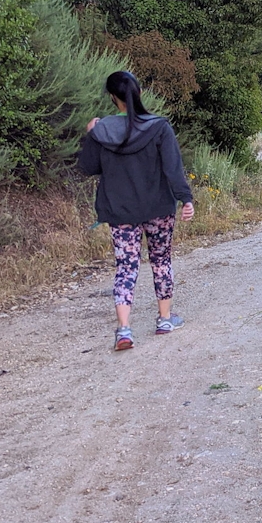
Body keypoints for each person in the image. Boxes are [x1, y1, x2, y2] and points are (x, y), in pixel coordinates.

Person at [79, 70, 194, 351]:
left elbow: (88, 167)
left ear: (112, 97)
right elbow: (173, 168)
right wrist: (186, 199)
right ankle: (165, 320)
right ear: (139, 92)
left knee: (125, 267)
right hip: (158, 208)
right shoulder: (159, 127)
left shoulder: (101, 130)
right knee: (161, 261)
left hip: (120, 212)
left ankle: (124, 330)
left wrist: (90, 134)